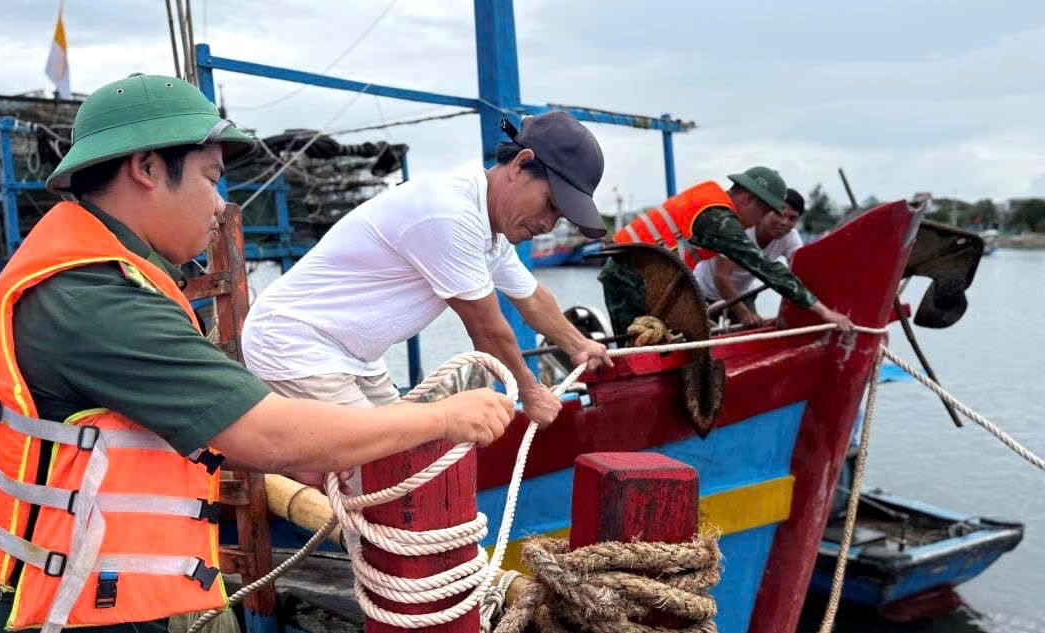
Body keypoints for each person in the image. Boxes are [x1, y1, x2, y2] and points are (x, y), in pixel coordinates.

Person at [0, 74, 513, 633]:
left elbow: (193, 425)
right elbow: (265, 432)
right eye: (210, 177)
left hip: (46, 598)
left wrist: (309, 457)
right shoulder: (98, 300)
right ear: (148, 168)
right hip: (55, 631)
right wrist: (439, 417)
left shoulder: (87, 268)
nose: (222, 205)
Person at [240, 111, 613, 429]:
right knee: (377, 467)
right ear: (519, 165)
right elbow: (487, 330)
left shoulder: (490, 226)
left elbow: (532, 298)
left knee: (408, 462)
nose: (548, 224)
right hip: (296, 340)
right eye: (550, 204)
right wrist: (530, 393)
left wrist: (578, 345)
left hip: (355, 355)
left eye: (559, 217)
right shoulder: (451, 214)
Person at [597, 167, 853, 336]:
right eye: (764, 212)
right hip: (629, 278)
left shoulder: (712, 200)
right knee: (639, 348)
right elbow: (764, 267)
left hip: (643, 276)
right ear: (747, 199)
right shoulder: (718, 219)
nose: (760, 220)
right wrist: (823, 311)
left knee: (660, 342)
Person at [693, 188, 805, 326]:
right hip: (704, 292)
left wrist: (784, 314)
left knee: (757, 328)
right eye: (779, 214)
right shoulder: (740, 229)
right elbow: (720, 277)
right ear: (765, 212)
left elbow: (800, 275)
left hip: (741, 293)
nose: (784, 222)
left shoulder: (790, 237)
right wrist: (744, 314)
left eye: (792, 218)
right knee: (702, 335)